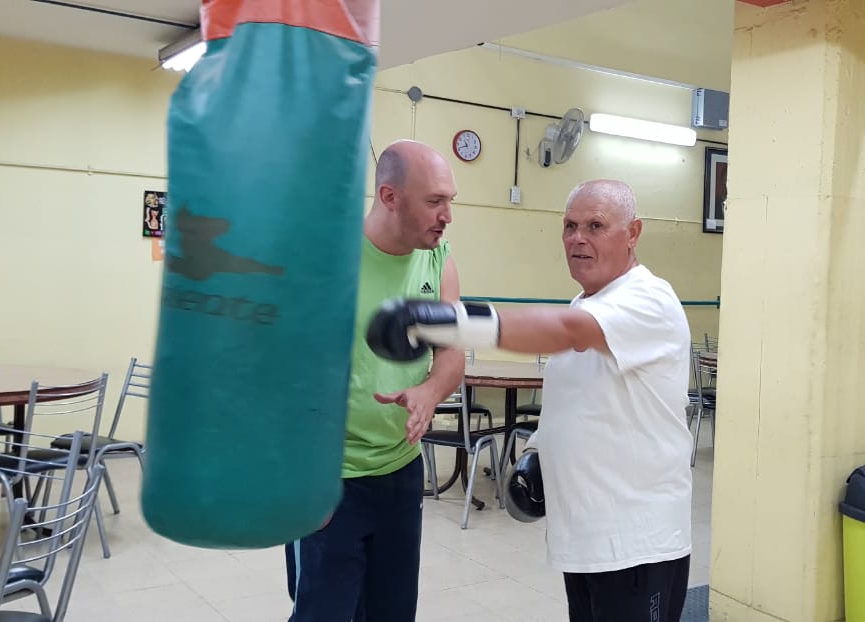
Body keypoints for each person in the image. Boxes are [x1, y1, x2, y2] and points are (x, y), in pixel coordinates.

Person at [367, 179, 694, 621]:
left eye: (596, 226)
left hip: (636, 544)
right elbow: (580, 395)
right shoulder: (587, 300)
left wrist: (447, 323)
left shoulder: (648, 299)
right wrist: (540, 456)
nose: (578, 238)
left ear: (633, 233)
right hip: (589, 541)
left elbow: (567, 331)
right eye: (570, 226)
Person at [285, 139, 466, 622]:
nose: (447, 215)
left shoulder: (438, 259)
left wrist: (429, 391)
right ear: (389, 197)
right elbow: (281, 374)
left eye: (450, 200)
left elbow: (452, 354)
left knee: (391, 612)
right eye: (434, 201)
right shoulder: (327, 260)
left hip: (401, 474)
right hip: (331, 477)